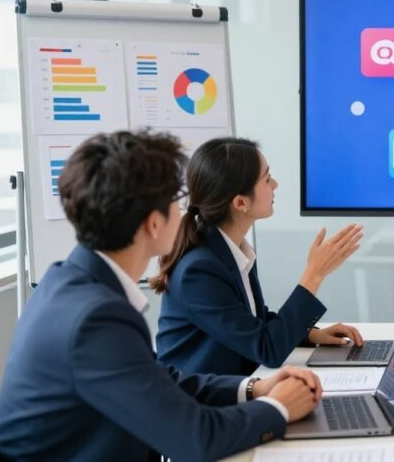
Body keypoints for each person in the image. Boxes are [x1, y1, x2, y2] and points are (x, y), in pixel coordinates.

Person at [0, 131, 323, 462]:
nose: (185, 212)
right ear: (154, 223)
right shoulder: (95, 317)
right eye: (176, 202)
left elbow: (157, 380)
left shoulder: (70, 282)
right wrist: (278, 408)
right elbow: (196, 438)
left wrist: (253, 389)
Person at [153, 137, 364, 376]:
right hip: (200, 404)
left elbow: (253, 322)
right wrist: (314, 274)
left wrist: (311, 333)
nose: (275, 184)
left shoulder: (229, 249)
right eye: (266, 179)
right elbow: (268, 350)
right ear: (241, 202)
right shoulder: (199, 270)